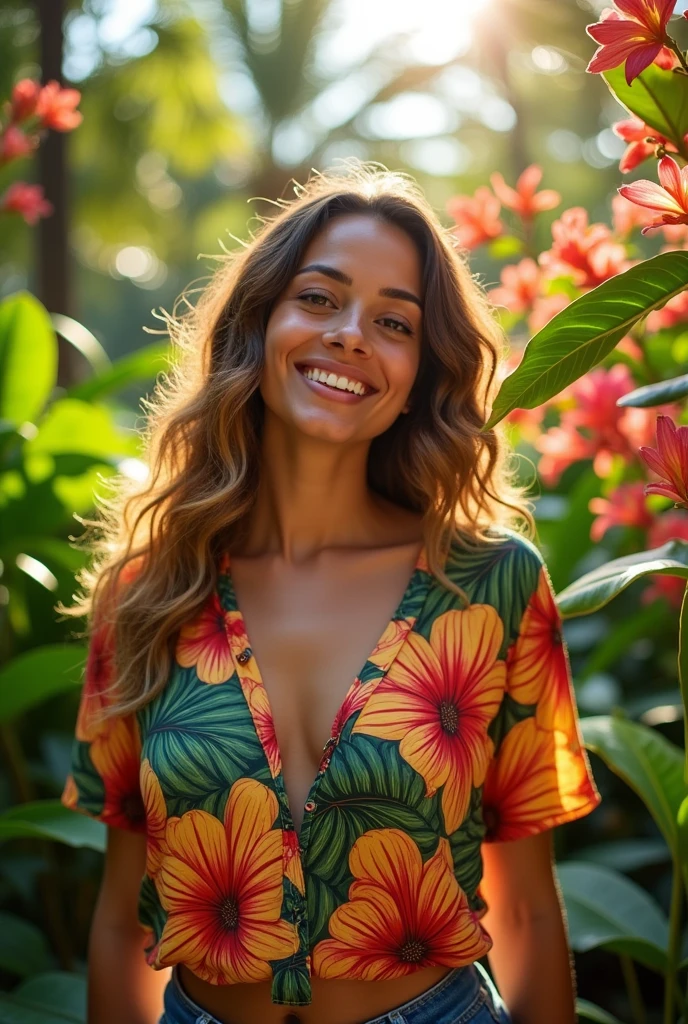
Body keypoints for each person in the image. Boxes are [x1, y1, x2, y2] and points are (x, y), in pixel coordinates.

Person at [59, 162, 602, 1024]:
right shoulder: (148, 592)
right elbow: (125, 918)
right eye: (319, 298)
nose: (351, 334)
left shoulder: (491, 585)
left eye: (394, 321)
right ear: (259, 324)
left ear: (420, 374)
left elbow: (530, 911)